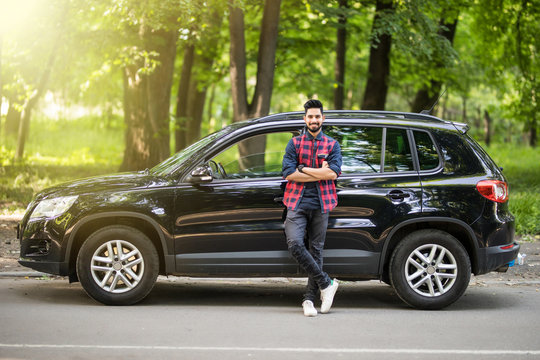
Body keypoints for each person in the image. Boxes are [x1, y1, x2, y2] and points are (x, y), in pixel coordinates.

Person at [282, 99, 342, 317]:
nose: (314, 120)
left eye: (317, 116)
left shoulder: (332, 145)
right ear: (304, 118)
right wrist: (319, 172)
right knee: (295, 244)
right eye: (310, 116)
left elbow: (333, 174)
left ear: (322, 118)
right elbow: (288, 173)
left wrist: (304, 168)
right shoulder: (295, 144)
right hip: (296, 203)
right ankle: (327, 284)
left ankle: (308, 300)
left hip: (322, 204)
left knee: (316, 250)